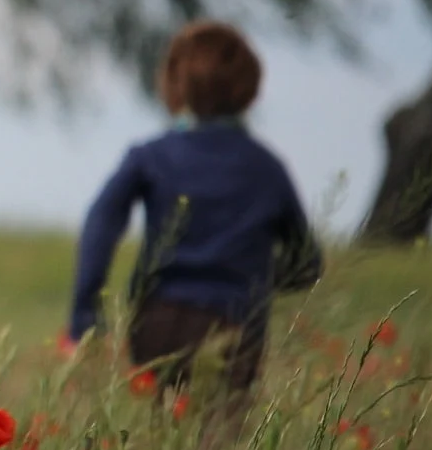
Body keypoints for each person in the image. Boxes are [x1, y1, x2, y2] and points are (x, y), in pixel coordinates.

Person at [65, 20, 321, 396]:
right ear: (248, 90)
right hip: (235, 324)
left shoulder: (150, 157)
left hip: (157, 322)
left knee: (163, 437)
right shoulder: (266, 168)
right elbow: (306, 263)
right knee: (218, 444)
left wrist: (85, 317)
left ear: (174, 85)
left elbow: (100, 224)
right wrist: (255, 277)